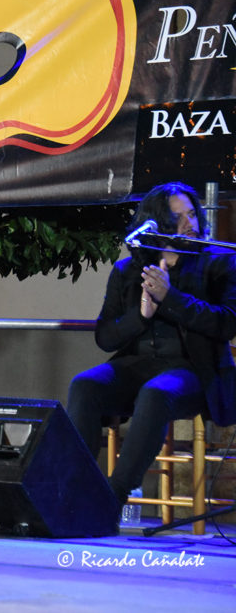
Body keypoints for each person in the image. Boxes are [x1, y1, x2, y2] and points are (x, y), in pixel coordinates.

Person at [66, 181, 236, 518]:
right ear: (157, 224)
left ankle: (112, 498)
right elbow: (106, 337)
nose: (190, 223)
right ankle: (74, 493)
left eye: (192, 214)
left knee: (157, 392)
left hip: (194, 370)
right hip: (138, 363)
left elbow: (227, 324)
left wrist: (169, 298)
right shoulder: (128, 270)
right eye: (179, 217)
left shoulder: (220, 261)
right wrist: (141, 316)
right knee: (84, 385)